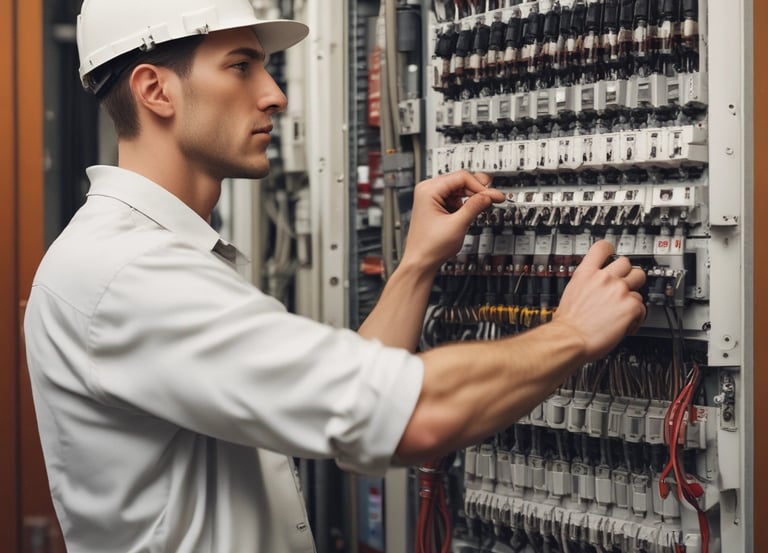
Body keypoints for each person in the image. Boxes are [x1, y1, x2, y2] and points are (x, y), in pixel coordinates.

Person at [23, 1, 646, 552]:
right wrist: (572, 334)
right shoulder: (130, 276)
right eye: (241, 66)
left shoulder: (142, 255)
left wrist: (416, 264)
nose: (274, 94)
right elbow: (411, 415)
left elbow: (348, 398)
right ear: (155, 91)